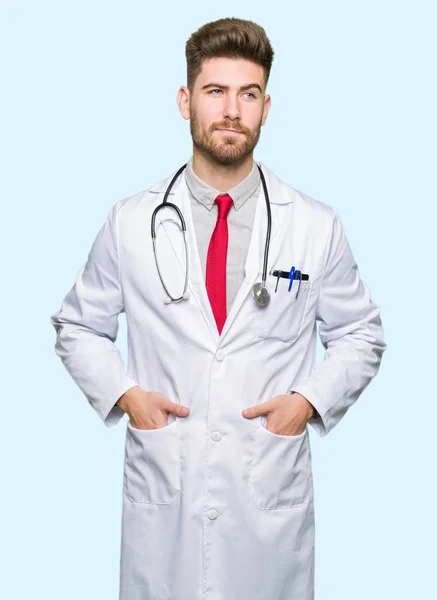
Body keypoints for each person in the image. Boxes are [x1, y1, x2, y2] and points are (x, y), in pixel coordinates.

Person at [50, 17, 386, 600]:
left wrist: (306, 404)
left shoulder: (314, 225)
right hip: (168, 496)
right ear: (186, 101)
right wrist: (128, 397)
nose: (232, 110)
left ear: (266, 106)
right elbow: (77, 326)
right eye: (215, 92)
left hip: (267, 504)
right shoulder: (131, 221)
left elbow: (361, 334)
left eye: (248, 94)